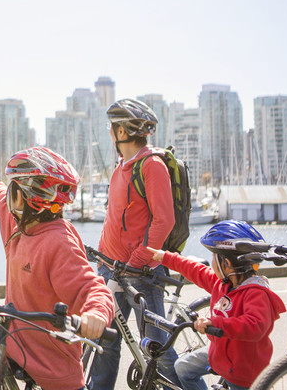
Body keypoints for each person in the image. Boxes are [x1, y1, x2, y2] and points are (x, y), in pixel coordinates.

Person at [0, 146, 115, 390]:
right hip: (9, 346)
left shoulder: (58, 242)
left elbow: (91, 287)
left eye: (14, 187)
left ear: (23, 196)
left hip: (51, 365)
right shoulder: (15, 224)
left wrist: (96, 314)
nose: (9, 192)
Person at [91, 98, 181, 389]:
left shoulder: (151, 165)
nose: (109, 132)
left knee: (159, 351)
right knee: (105, 344)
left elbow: (163, 221)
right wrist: (100, 259)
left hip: (141, 274)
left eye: (112, 127)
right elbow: (116, 219)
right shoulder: (121, 167)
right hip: (111, 271)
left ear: (121, 132)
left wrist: (137, 261)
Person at [145, 220, 286, 390]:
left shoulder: (256, 293)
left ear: (226, 263)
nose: (211, 262)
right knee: (183, 367)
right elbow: (197, 271)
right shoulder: (223, 283)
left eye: (214, 257)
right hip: (219, 356)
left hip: (243, 372)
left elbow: (255, 326)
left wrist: (215, 323)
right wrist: (166, 257)